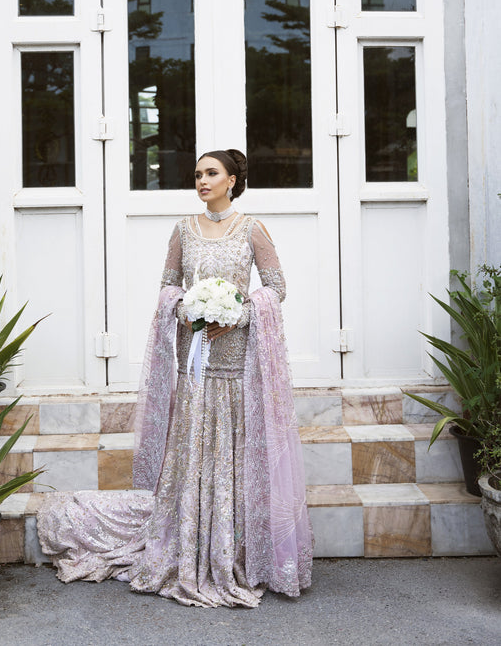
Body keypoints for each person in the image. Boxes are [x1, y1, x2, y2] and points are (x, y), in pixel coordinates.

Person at [38, 149, 313, 608]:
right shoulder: (182, 231)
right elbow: (167, 286)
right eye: (198, 175)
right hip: (195, 359)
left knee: (234, 449)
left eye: (211, 174)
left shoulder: (253, 230)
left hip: (235, 361)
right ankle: (186, 546)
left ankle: (233, 552)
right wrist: (188, 308)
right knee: (193, 446)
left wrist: (239, 315)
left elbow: (276, 288)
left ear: (232, 180)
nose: (201, 181)